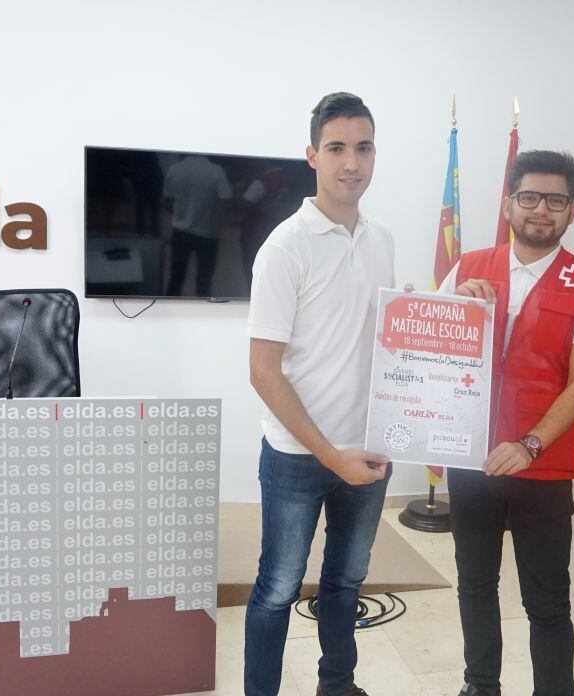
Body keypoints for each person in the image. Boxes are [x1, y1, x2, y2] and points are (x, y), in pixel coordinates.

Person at [438, 150, 574, 696]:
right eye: (530, 197)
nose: (542, 210)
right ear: (508, 204)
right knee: (474, 584)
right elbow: (428, 353)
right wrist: (455, 308)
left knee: (547, 600)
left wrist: (530, 444)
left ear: (572, 211)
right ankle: (480, 685)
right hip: (471, 459)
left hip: (543, 466)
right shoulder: (468, 268)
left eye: (556, 201)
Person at [244, 92, 394, 696]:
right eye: (336, 148)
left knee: (346, 582)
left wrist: (448, 309)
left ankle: (337, 685)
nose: (350, 162)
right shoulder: (285, 247)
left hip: (369, 446)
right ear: (312, 156)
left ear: (374, 153)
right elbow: (263, 372)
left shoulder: (382, 239)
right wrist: (330, 455)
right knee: (278, 589)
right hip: (298, 455)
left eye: (362, 147)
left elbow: (380, 333)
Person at [162, 153, 232, 296]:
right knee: (204, 282)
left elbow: (167, 201)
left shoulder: (174, 169)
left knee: (175, 278)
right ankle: (201, 309)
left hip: (180, 231)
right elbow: (227, 202)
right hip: (208, 232)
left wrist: (180, 215)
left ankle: (169, 307)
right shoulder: (217, 171)